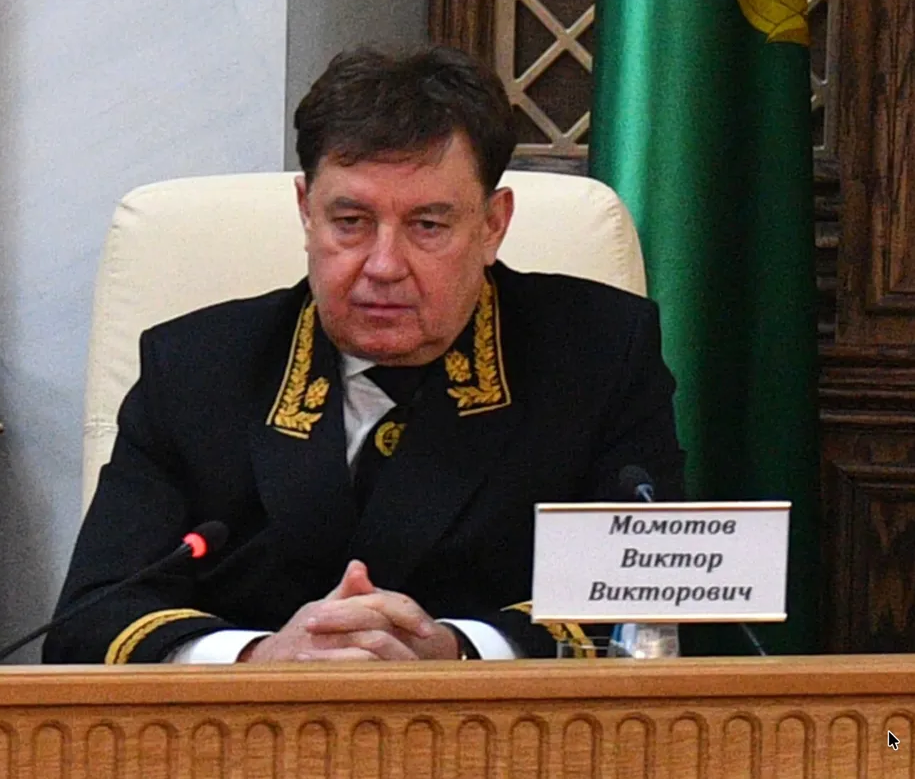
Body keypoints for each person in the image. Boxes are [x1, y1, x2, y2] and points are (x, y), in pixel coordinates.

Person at [41, 46, 684, 665]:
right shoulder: (195, 369)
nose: (383, 266)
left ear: (493, 225)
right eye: (351, 222)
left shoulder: (596, 355)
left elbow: (652, 601)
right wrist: (257, 658)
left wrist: (458, 651)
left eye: (427, 226)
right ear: (305, 212)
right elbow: (91, 620)